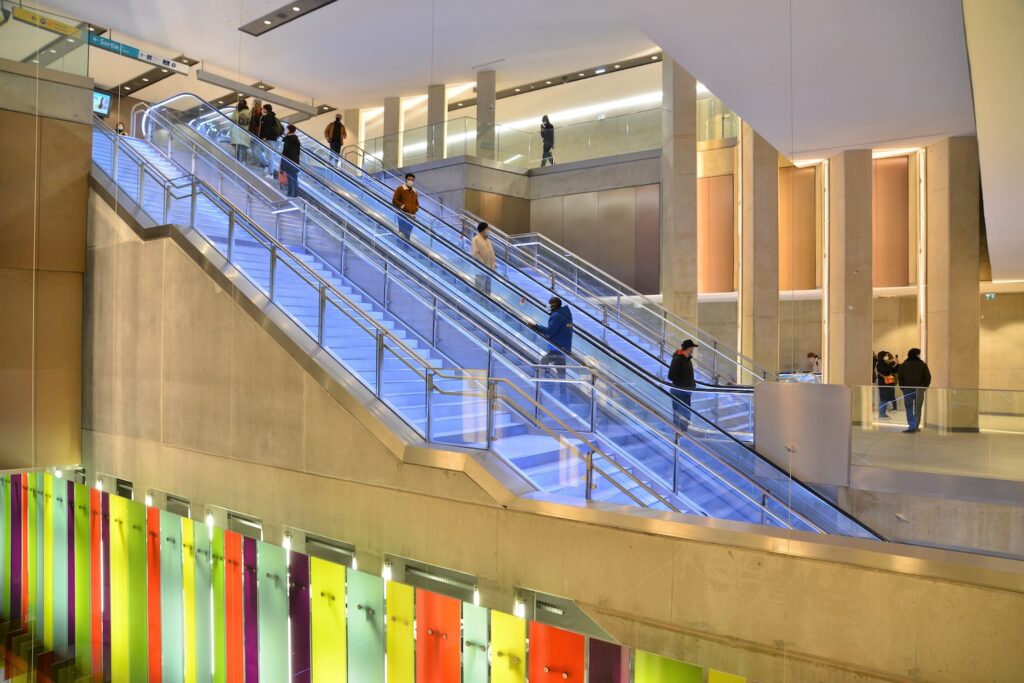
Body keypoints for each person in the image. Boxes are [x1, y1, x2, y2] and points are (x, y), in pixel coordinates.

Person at [530, 297, 574, 401]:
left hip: (556, 348)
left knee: (543, 362)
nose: (548, 305)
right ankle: (563, 396)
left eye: (549, 304)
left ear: (554, 305)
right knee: (561, 372)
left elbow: (549, 331)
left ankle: (547, 382)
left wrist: (535, 326)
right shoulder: (566, 315)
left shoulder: (557, 315)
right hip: (564, 348)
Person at [668, 340, 698, 435]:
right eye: (692, 348)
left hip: (686, 392)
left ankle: (683, 435)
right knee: (679, 416)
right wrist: (683, 385)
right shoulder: (677, 359)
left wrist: (692, 384)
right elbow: (671, 376)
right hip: (679, 392)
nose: (693, 349)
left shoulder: (688, 360)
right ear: (689, 348)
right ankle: (677, 436)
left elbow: (688, 376)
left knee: (686, 416)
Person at [897, 348, 931, 433]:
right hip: (919, 390)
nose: (920, 355)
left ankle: (911, 426)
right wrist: (924, 387)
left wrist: (903, 388)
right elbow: (928, 377)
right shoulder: (922, 365)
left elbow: (900, 377)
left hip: (907, 389)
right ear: (916, 355)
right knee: (918, 408)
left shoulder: (903, 365)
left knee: (908, 407)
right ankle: (915, 426)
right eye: (919, 354)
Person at [391, 173, 419, 240]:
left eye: (412, 180)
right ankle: (400, 246)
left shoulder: (414, 191)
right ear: (406, 180)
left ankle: (406, 247)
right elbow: (394, 200)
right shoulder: (400, 189)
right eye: (409, 179)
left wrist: (416, 208)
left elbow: (416, 203)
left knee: (408, 234)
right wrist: (403, 206)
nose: (411, 181)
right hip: (403, 214)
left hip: (412, 216)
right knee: (402, 233)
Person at [471, 221, 497, 294]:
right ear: (483, 229)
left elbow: (492, 254)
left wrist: (494, 264)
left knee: (488, 291)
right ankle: (478, 304)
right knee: (480, 290)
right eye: (487, 229)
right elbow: (475, 253)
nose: (489, 230)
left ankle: (487, 304)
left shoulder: (488, 241)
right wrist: (482, 265)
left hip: (489, 269)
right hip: (480, 269)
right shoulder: (476, 239)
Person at [258, 103, 282, 176]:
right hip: (272, 139)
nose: (262, 110)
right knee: (267, 154)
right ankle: (269, 168)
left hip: (268, 139)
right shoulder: (272, 117)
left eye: (263, 108)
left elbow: (267, 128)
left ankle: (270, 172)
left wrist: (265, 137)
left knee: (269, 155)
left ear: (266, 109)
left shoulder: (268, 117)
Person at [875, 350, 898, 419]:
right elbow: (885, 371)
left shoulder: (886, 363)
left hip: (889, 383)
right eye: (886, 355)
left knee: (886, 399)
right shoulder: (879, 364)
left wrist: (897, 365)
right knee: (883, 399)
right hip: (883, 384)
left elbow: (894, 370)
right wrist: (891, 364)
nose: (887, 357)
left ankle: (883, 413)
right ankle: (881, 414)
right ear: (882, 356)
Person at [281, 124, 301, 198]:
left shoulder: (288, 139)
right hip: (295, 160)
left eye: (286, 129)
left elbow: (285, 150)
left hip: (289, 160)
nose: (285, 130)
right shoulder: (296, 139)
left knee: (290, 177)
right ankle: (295, 193)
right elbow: (298, 152)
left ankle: (290, 192)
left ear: (289, 130)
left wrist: (282, 162)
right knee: (295, 177)